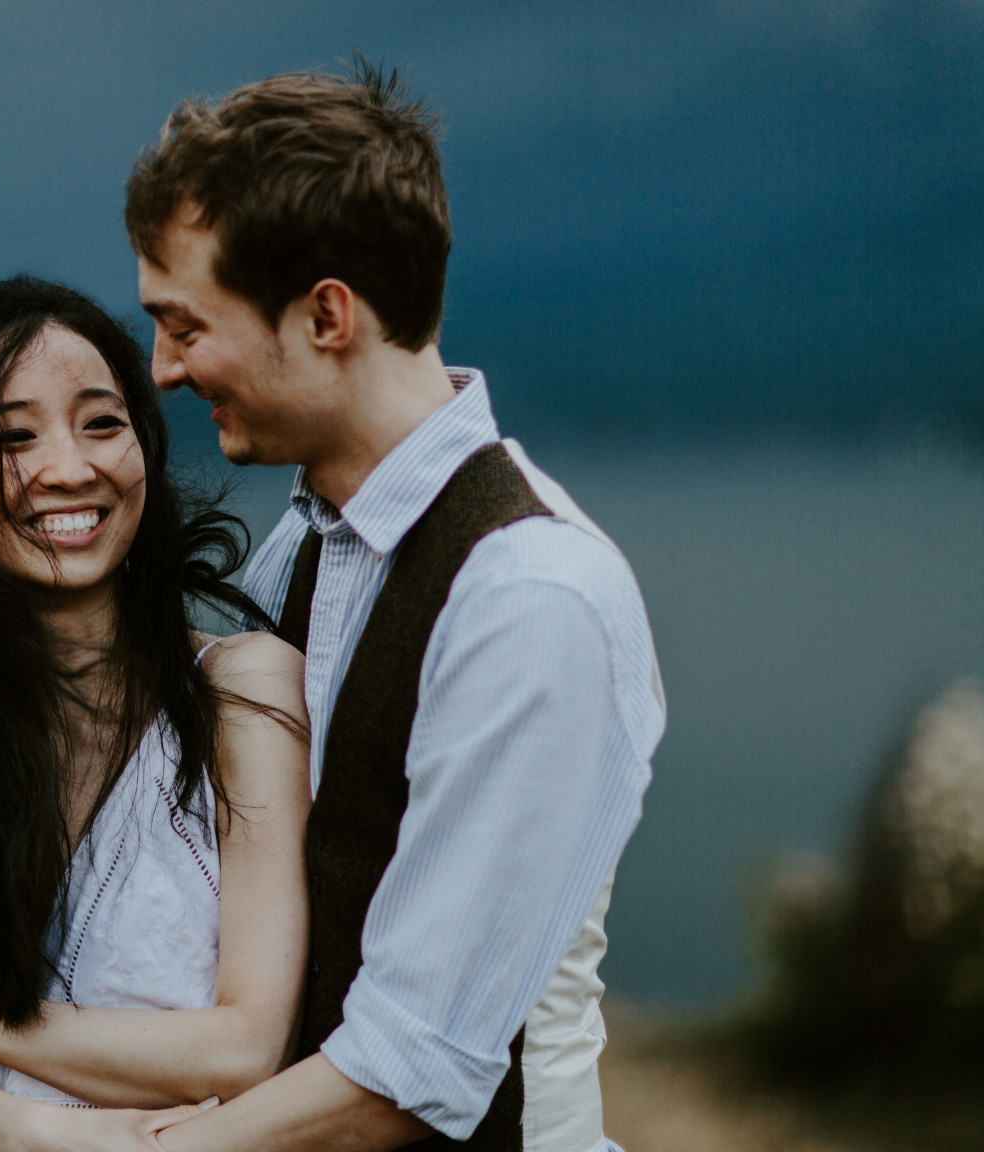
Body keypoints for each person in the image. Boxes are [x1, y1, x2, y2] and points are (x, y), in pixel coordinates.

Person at [116, 63, 667, 1152]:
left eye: (185, 323)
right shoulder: (305, 551)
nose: (164, 369)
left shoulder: (528, 597)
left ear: (327, 314)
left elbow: (408, 1072)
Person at [0, 276, 313, 1150]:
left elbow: (247, 1046)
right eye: (13, 436)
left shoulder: (241, 693)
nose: (71, 468)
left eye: (103, 423)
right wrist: (45, 1132)